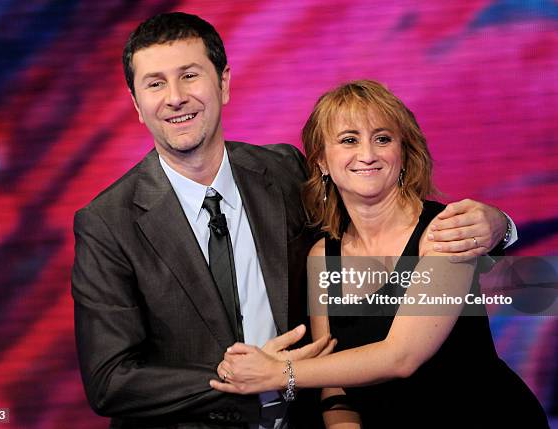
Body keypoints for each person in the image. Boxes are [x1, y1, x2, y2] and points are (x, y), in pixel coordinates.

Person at [71, 12, 517, 428]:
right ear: (135, 101)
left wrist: (500, 225)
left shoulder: (285, 171)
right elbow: (110, 380)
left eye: (190, 75)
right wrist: (242, 375)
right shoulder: (107, 223)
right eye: (155, 84)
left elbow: (377, 203)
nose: (175, 98)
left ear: (223, 83)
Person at [210, 80, 548, 428]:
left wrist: (278, 373)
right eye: (349, 140)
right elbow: (334, 383)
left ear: (403, 154)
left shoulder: (443, 231)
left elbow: (402, 356)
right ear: (323, 161)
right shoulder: (322, 256)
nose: (368, 154)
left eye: (382, 138)